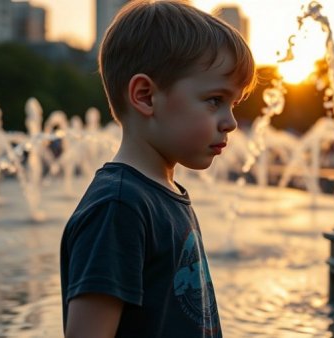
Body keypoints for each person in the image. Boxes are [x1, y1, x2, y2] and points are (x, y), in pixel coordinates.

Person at [59, 1, 256, 337]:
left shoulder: (161, 194)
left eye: (233, 104)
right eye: (214, 100)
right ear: (146, 96)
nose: (231, 122)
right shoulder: (118, 207)